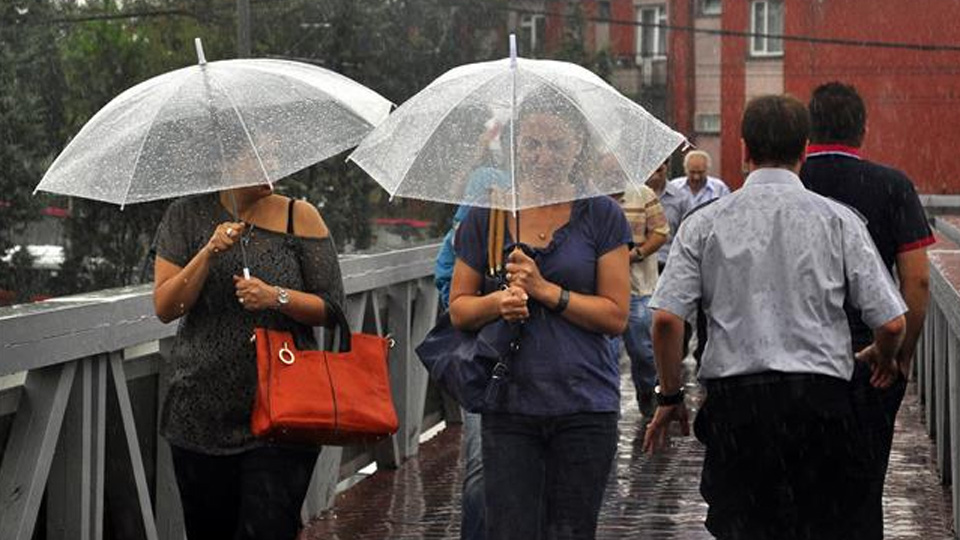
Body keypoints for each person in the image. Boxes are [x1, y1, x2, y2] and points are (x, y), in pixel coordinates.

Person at [644, 94, 907, 540]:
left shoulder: (705, 224)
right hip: (821, 405)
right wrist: (883, 354)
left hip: (737, 410)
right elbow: (893, 322)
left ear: (744, 150)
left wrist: (670, 396)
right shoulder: (839, 221)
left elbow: (667, 321)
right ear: (804, 150)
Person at [449, 89, 631, 539]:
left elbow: (615, 315)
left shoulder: (601, 215)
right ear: (515, 147)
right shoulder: (487, 217)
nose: (543, 156)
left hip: (585, 402)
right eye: (531, 144)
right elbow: (459, 308)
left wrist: (546, 291)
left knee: (571, 531)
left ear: (577, 147)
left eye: (556, 144)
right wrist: (498, 303)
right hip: (509, 404)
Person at [152, 182, 345, 540]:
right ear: (228, 157)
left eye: (273, 151)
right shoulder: (185, 215)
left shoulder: (299, 217)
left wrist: (276, 297)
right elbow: (166, 307)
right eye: (258, 152)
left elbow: (332, 309)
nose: (269, 164)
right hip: (200, 413)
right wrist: (208, 252)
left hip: (282, 415)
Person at [800, 81, 934, 539]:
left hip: (796, 359)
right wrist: (898, 353)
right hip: (868, 360)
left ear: (808, 130)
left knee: (797, 492)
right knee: (861, 492)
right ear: (863, 129)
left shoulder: (788, 184)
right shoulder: (892, 186)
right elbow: (916, 280)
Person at [616, 182, 669, 418]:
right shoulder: (589, 193)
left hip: (638, 287)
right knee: (605, 353)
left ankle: (648, 391)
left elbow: (661, 231)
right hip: (599, 289)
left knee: (642, 351)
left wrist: (637, 254)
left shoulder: (642, 193)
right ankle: (606, 407)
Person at [645, 160, 691, 273]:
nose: (655, 175)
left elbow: (686, 235)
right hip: (639, 263)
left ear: (667, 167)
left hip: (668, 263)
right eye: (652, 170)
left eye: (659, 170)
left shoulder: (681, 198)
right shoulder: (633, 196)